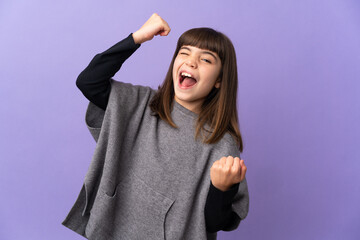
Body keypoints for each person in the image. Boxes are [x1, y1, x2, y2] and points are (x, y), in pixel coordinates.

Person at [62, 13, 249, 240]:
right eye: (184, 53)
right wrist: (137, 38)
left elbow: (214, 223)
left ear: (219, 80)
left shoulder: (220, 144)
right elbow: (89, 81)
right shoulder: (140, 104)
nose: (191, 61)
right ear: (175, 63)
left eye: (206, 59)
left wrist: (222, 189)